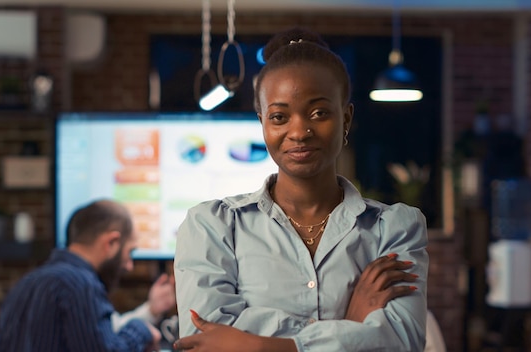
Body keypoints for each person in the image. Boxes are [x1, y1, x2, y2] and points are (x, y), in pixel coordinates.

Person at [173, 27, 428, 351]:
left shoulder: (394, 228)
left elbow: (403, 343)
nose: (299, 131)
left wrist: (259, 345)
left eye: (319, 113)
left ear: (346, 119)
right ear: (263, 123)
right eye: (279, 116)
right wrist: (351, 328)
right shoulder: (212, 226)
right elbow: (204, 345)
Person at [0, 199, 162, 352]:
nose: (129, 265)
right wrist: (141, 329)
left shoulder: (26, 283)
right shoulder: (81, 284)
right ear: (111, 242)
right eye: (129, 252)